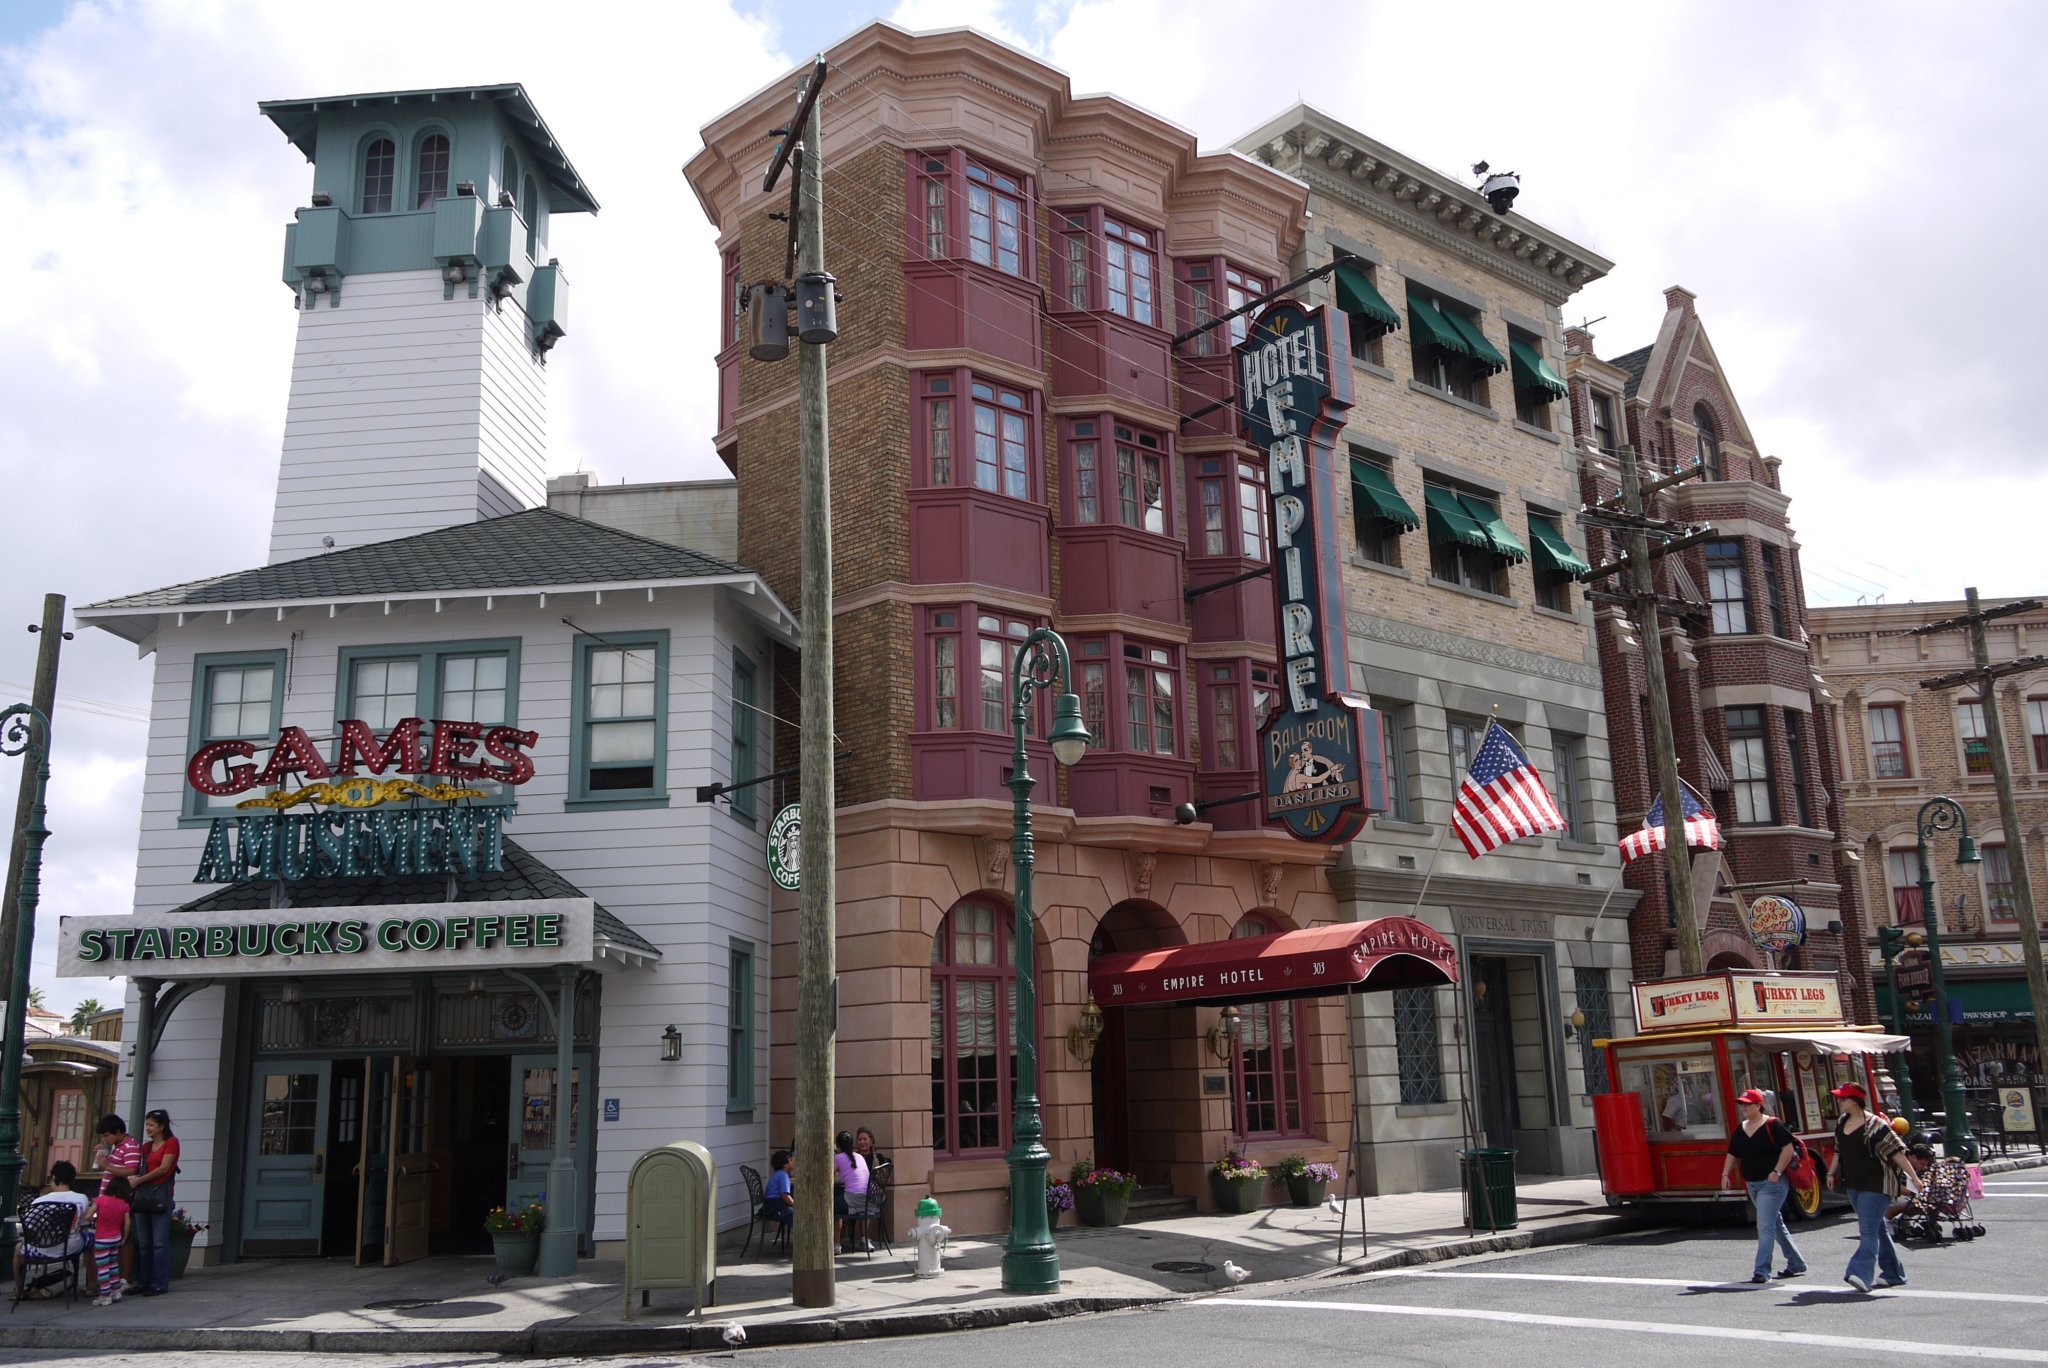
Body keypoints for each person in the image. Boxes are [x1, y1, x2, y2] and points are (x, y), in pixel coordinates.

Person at [1826, 1082, 1919, 1293]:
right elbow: (1838, 1151)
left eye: (1843, 1098)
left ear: (1855, 1101)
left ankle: (1860, 1273)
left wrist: (1914, 1178)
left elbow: (1897, 1152)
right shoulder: (1842, 1121)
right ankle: (1894, 1274)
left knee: (1867, 1231)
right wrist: (1830, 1173)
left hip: (1877, 1183)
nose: (1839, 1101)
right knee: (1878, 1228)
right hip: (1853, 1182)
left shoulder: (1877, 1125)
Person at [1718, 1088, 1808, 1283]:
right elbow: (1732, 1153)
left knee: (1765, 1226)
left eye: (1747, 1104)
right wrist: (1725, 1174)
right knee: (1775, 1223)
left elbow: (1788, 1149)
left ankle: (1762, 1270)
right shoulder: (1741, 1128)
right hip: (1752, 1184)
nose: (1743, 1108)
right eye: (1741, 1105)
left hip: (1772, 1184)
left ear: (1759, 1105)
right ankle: (1796, 1263)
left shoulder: (1773, 1124)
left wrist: (1777, 1171)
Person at [14, 1161, 92, 1294]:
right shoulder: (81, 1198)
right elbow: (83, 1224)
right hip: (70, 1246)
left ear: (54, 1178)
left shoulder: (39, 1201)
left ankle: (18, 1288)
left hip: (41, 1249)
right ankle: (92, 1286)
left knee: (17, 1249)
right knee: (92, 1240)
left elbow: (30, 1228)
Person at [132, 1109, 181, 1297]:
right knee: (144, 1242)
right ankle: (143, 1281)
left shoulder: (171, 1143)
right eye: (147, 1124)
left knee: (159, 1243)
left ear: (161, 1126)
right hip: (143, 1196)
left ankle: (159, 1282)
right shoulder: (146, 1147)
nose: (148, 1128)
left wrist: (139, 1180)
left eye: (151, 1125)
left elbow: (164, 1168)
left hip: (161, 1195)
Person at [90, 1114, 141, 1289]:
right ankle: (110, 1277)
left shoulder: (130, 1146)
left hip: (119, 1198)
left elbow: (132, 1170)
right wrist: (104, 1153)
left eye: (107, 1135)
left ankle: (125, 1278)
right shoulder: (117, 1146)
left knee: (124, 1237)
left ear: (118, 1131)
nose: (105, 1139)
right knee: (110, 1236)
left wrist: (107, 1166)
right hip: (108, 1198)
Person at [85, 1176, 133, 1307]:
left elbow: (88, 1216)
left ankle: (105, 1295)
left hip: (102, 1239)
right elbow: (127, 1224)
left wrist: (96, 1218)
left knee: (103, 1268)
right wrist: (124, 1237)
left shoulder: (100, 1200)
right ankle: (116, 1292)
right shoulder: (124, 1205)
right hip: (116, 1238)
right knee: (113, 1265)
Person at [833, 1129, 872, 1252]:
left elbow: (827, 1177)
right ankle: (864, 1239)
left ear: (838, 1145)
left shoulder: (838, 1158)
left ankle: (836, 1244)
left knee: (833, 1206)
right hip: (868, 1202)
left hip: (851, 1201)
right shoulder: (859, 1157)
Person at [761, 1148, 795, 1240]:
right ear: (785, 1164)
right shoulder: (783, 1176)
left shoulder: (778, 1174)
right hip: (775, 1207)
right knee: (796, 1215)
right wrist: (796, 1205)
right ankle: (801, 1241)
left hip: (769, 1206)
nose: (793, 1162)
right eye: (791, 1160)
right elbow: (785, 1196)